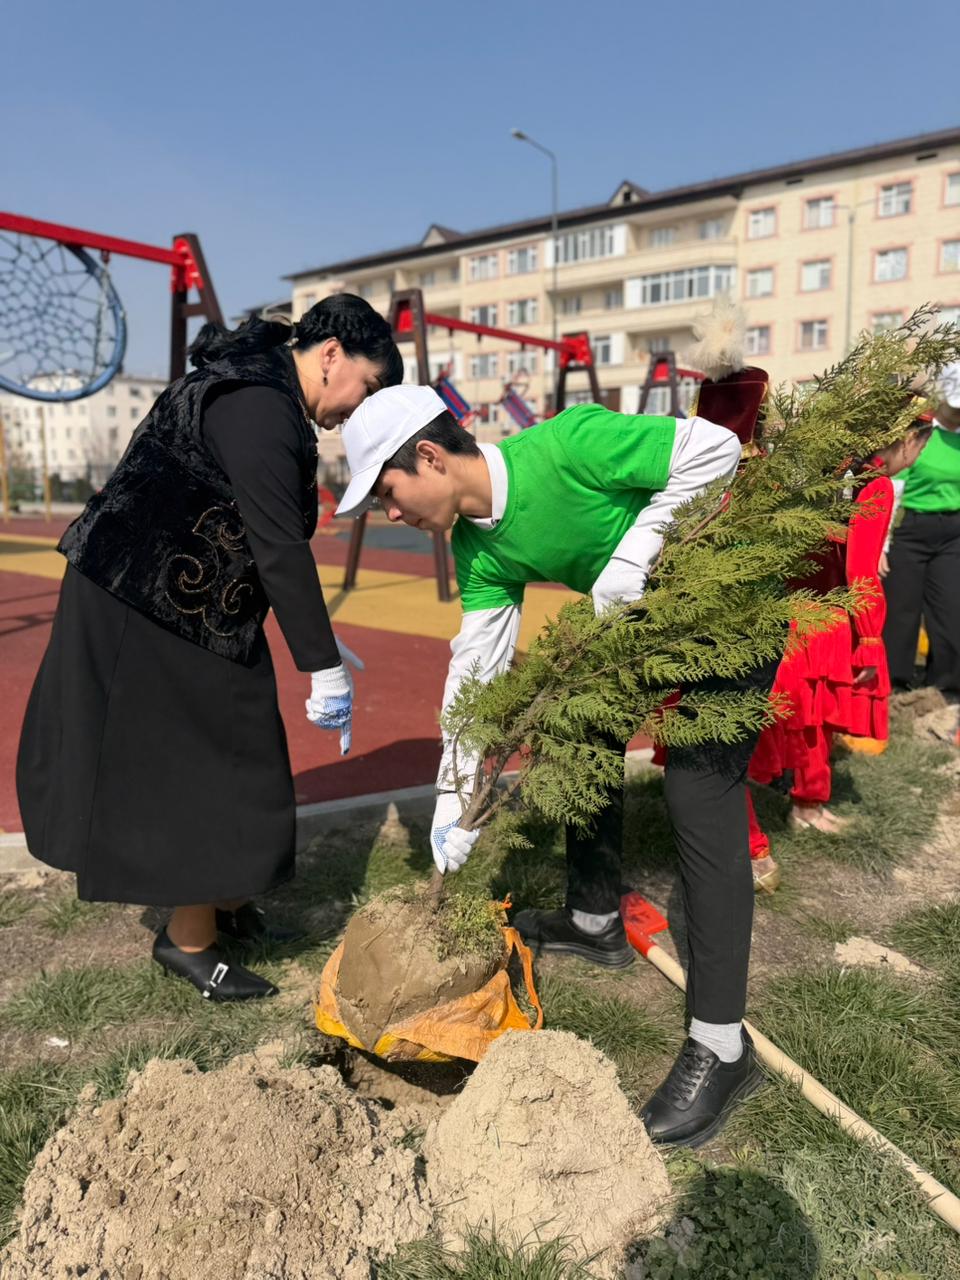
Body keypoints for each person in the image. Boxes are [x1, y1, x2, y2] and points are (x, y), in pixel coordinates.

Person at [335, 384, 782, 1149]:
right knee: (578, 727)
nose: (392, 514)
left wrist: (635, 552)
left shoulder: (569, 444)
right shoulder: (477, 547)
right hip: (641, 624)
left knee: (697, 792)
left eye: (388, 493)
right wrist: (452, 798)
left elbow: (714, 450)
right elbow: (476, 673)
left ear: (430, 457)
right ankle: (594, 919)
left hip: (729, 604)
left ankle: (721, 1047)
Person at [16, 296, 402, 1000]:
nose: (361, 408)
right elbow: (277, 544)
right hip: (147, 599)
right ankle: (189, 942)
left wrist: (319, 638)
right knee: (223, 760)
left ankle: (223, 904)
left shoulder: (259, 390)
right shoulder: (258, 404)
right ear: (331, 355)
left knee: (229, 750)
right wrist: (322, 666)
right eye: (368, 387)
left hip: (175, 597)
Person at [747, 411, 933, 885]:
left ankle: (807, 803)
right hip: (829, 615)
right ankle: (805, 808)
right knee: (815, 719)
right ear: (908, 439)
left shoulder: (823, 470)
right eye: (921, 446)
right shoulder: (874, 484)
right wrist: (869, 638)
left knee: (803, 716)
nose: (917, 457)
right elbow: (862, 571)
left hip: (786, 608)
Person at [882, 367, 960, 695]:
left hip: (954, 531)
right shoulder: (920, 432)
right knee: (902, 607)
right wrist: (883, 542)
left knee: (951, 607)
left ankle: (946, 687)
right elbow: (895, 485)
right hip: (909, 527)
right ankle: (894, 683)